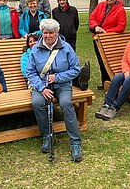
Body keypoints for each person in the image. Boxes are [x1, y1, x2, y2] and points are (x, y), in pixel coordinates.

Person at [27, 19, 83, 162]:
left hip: (62, 84)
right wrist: (42, 88)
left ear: (57, 33)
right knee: (37, 103)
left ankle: (75, 143)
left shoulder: (66, 47)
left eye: (51, 33)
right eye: (45, 33)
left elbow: (75, 69)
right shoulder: (35, 49)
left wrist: (57, 77)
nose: (48, 36)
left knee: (66, 104)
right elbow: (30, 72)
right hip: (41, 85)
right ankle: (48, 135)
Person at [89, 0, 127, 90]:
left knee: (110, 61)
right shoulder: (101, 5)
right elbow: (92, 17)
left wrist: (106, 32)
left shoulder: (120, 9)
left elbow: (121, 26)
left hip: (111, 39)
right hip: (98, 38)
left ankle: (112, 81)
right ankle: (104, 81)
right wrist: (96, 26)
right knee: (101, 60)